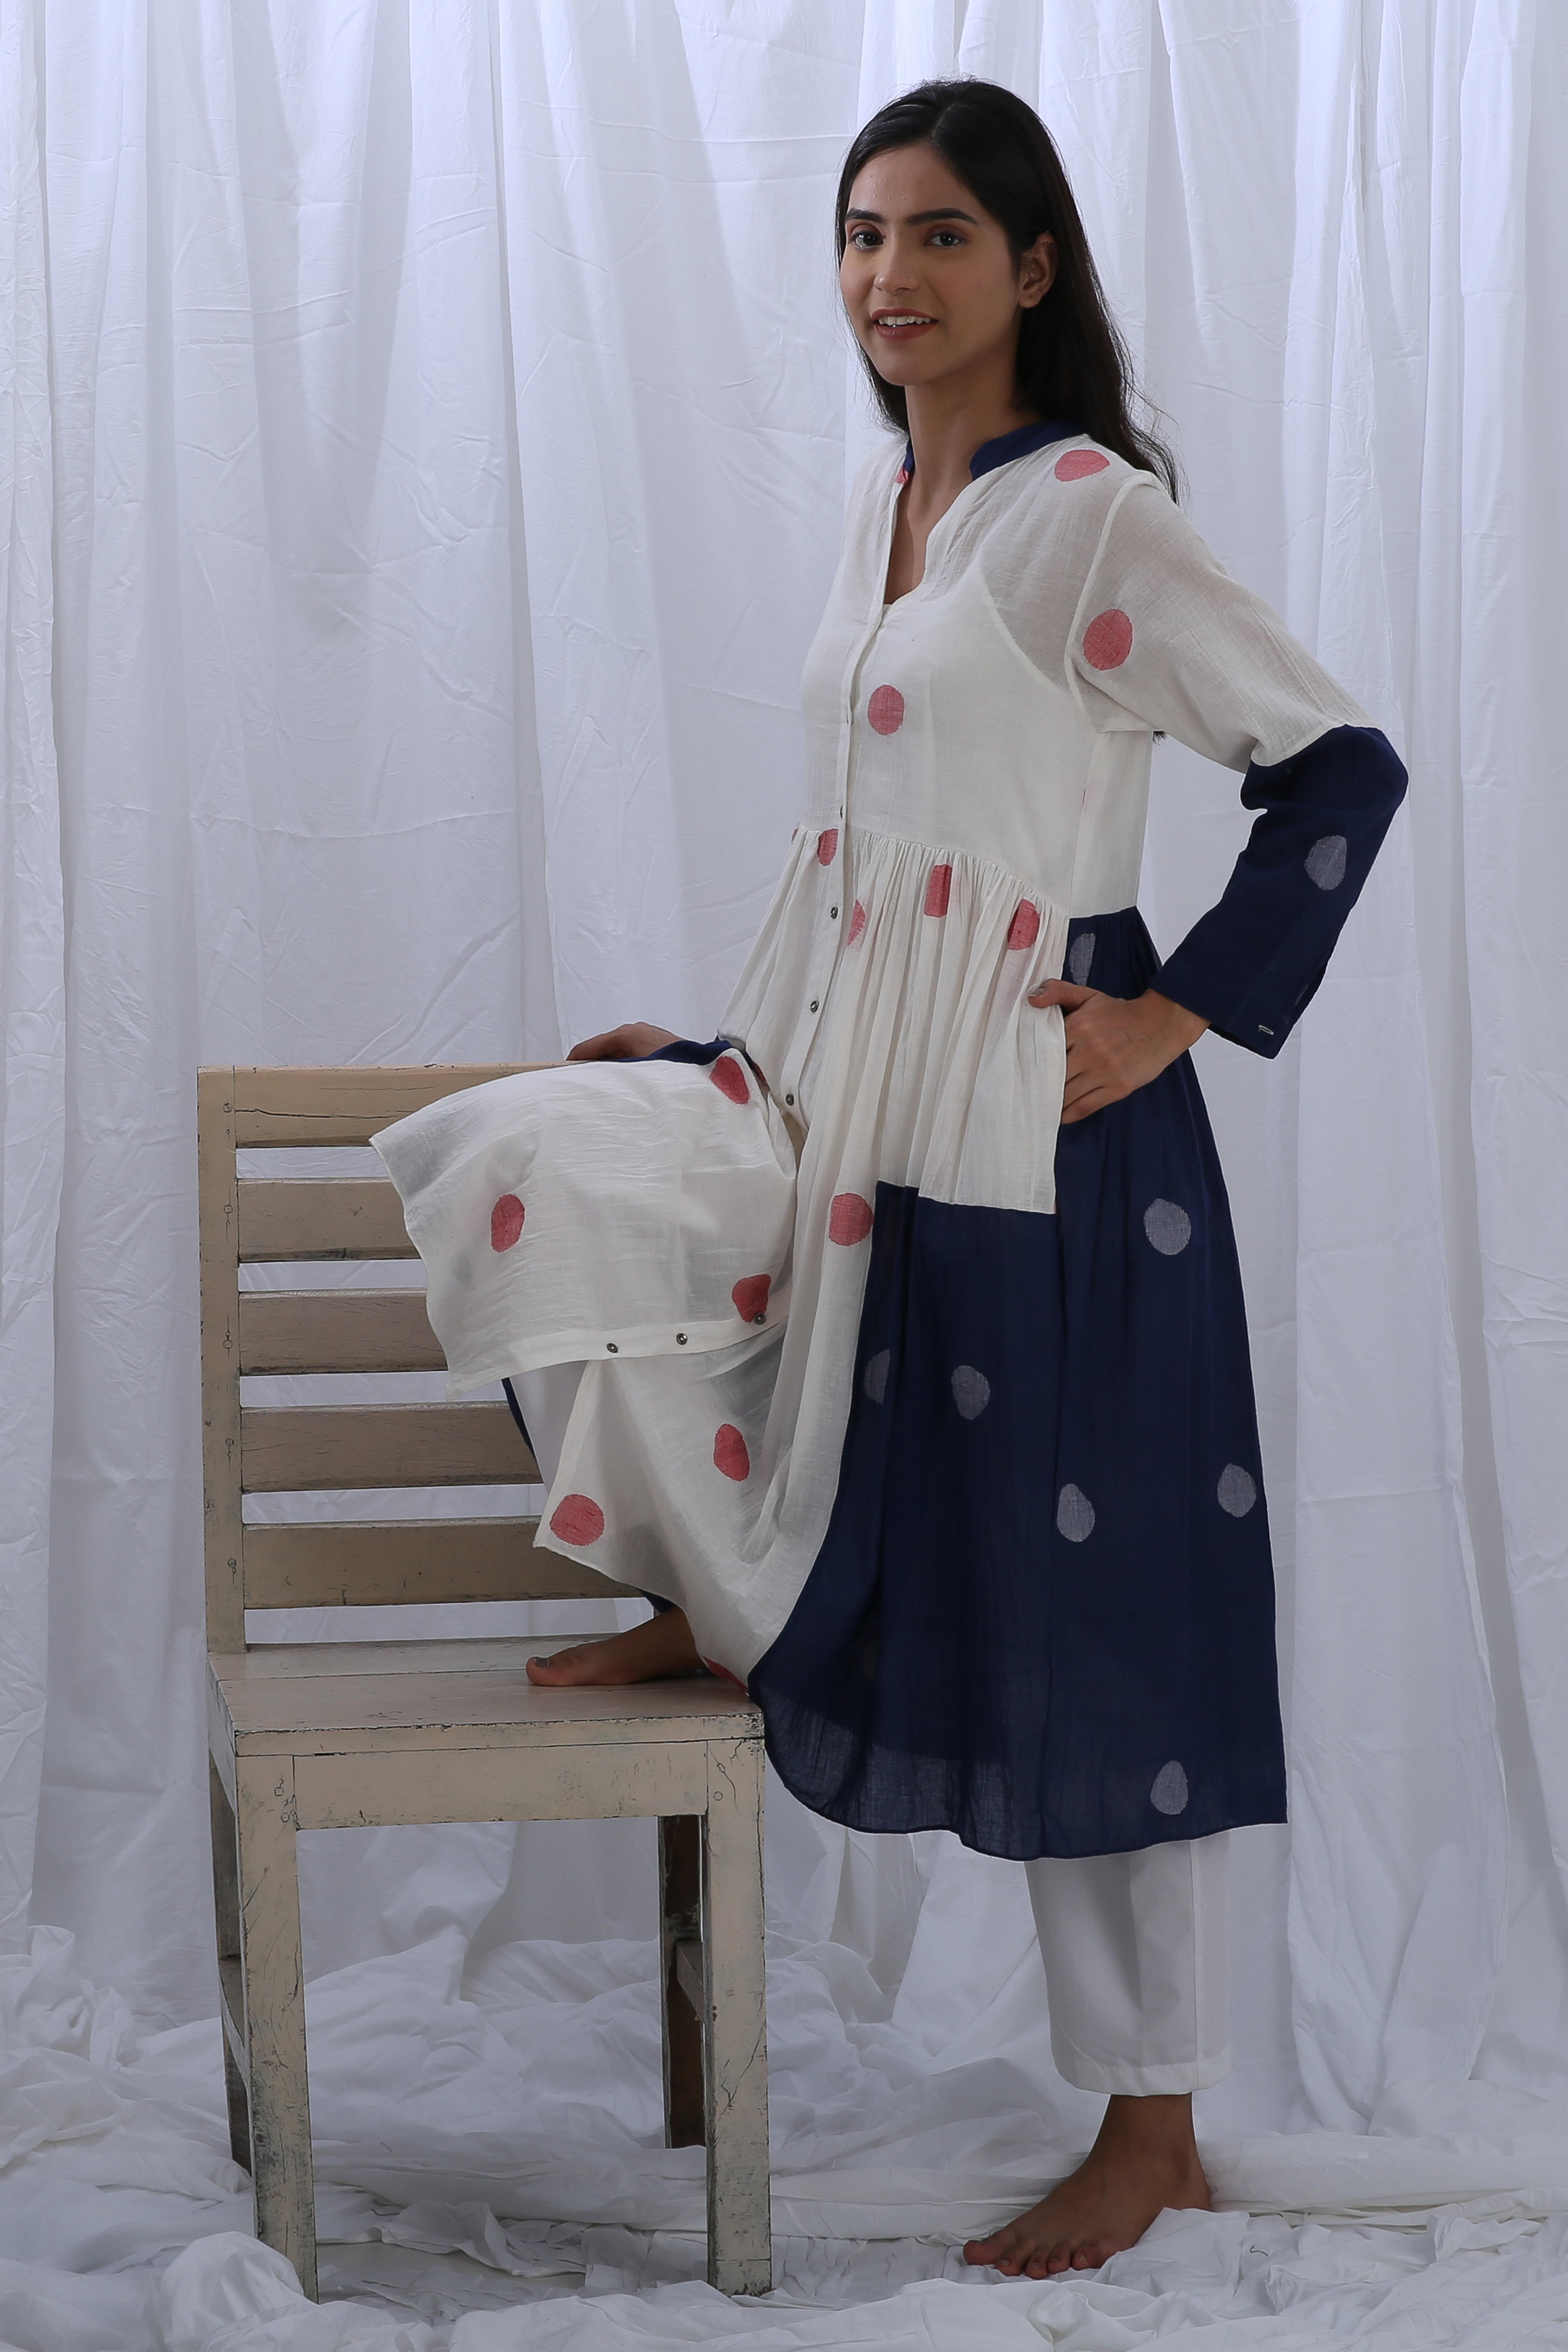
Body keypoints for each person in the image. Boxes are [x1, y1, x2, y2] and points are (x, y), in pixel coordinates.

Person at [375, 80, 1406, 2280]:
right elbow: (871, 849)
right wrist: (723, 1054)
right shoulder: (883, 500)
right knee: (540, 1154)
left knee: (1094, 1616)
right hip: (842, 1085)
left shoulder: (1086, 518)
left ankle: (1151, 2126)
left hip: (1034, 1137)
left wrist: (1170, 1013)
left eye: (937, 235)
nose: (887, 275)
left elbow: (1337, 766)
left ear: (1027, 266)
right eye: (860, 233)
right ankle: (718, 1589)